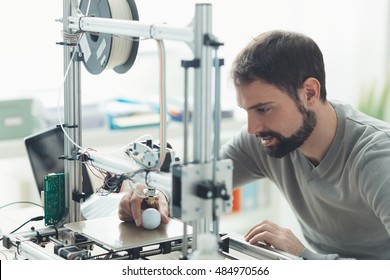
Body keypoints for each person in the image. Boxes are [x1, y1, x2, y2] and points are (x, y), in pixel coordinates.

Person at [118, 30, 390, 260]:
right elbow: (200, 186)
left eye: (263, 109)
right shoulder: (265, 139)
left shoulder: (377, 157)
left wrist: (305, 256)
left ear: (309, 93)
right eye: (247, 110)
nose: (252, 128)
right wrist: (154, 198)